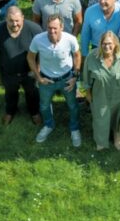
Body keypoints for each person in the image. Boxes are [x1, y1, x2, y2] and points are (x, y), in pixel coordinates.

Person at [29, 15, 82, 147]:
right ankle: (48, 125)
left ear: (62, 27)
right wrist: (38, 77)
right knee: (44, 105)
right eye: (49, 28)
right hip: (46, 80)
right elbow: (30, 57)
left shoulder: (70, 39)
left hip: (67, 78)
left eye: (55, 28)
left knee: (72, 105)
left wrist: (75, 76)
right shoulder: (38, 39)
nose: (52, 31)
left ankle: (74, 128)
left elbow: (77, 55)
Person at [0, 5, 41, 125]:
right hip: (8, 72)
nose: (15, 24)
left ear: (23, 18)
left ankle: (34, 112)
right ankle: (10, 111)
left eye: (17, 20)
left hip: (29, 72)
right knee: (10, 93)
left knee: (32, 93)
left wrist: (37, 69)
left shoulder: (34, 29)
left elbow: (42, 51)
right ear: (6, 19)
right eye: (11, 20)